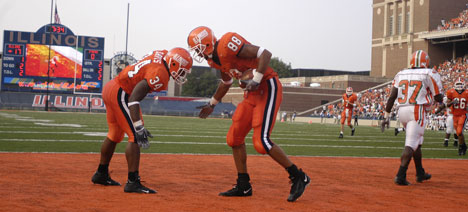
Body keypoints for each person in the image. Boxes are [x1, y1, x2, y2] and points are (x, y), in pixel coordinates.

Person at [187, 26, 310, 202]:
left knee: (261, 142)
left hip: (267, 86)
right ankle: (243, 185)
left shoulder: (227, 44)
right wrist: (212, 103)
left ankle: (298, 176)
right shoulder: (214, 60)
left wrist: (256, 79)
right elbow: (226, 82)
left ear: (206, 43)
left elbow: (265, 54)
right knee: (234, 138)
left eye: (197, 48)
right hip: (252, 94)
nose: (196, 53)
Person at [91, 48, 193, 193]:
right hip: (121, 92)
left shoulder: (163, 54)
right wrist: (138, 127)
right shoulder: (160, 74)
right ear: (174, 64)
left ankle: (101, 173)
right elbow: (134, 99)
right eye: (182, 71)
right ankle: (133, 182)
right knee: (135, 136)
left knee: (115, 134)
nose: (182, 75)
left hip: (111, 87)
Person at [381, 50, 443, 185]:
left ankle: (420, 173)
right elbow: (438, 97)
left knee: (417, 142)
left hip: (402, 110)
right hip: (416, 109)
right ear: (425, 62)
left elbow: (392, 97)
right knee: (410, 144)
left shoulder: (401, 74)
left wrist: (386, 116)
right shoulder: (429, 73)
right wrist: (443, 102)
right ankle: (400, 175)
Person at [436, 77, 467, 155]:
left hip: (463, 114)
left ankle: (460, 148)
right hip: (454, 115)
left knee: (459, 132)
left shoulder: (466, 92)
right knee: (458, 133)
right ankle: (463, 146)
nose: (459, 86)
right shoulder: (451, 92)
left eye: (461, 84)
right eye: (458, 84)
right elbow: (447, 104)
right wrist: (453, 102)